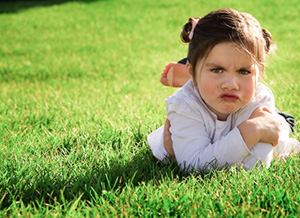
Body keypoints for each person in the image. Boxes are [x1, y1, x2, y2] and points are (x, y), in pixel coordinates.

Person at [148, 8, 300, 172]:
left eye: (243, 71)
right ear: (191, 70)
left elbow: (257, 167)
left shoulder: (260, 100)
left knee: (283, 124)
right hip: (199, 109)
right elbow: (193, 166)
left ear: (260, 75)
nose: (231, 84)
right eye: (217, 70)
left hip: (255, 110)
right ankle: (197, 81)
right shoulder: (184, 106)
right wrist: (252, 130)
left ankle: (206, 78)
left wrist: (260, 129)